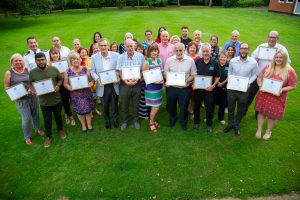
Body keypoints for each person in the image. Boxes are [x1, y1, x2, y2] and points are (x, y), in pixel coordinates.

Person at [245, 31, 291, 115]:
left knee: (263, 97)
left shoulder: (282, 49)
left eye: (274, 37)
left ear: (277, 38)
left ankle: (258, 114)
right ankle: (243, 110)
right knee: (250, 94)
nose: (271, 39)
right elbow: (252, 57)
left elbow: (288, 63)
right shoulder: (261, 46)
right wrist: (255, 60)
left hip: (272, 79)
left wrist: (279, 63)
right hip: (258, 76)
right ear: (267, 37)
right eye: (270, 37)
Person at [254, 50, 297, 140]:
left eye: (281, 57)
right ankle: (259, 129)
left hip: (277, 97)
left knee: (272, 115)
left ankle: (268, 131)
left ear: (285, 58)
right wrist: (260, 85)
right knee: (261, 112)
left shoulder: (289, 70)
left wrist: (282, 89)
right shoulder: (268, 66)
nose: (278, 59)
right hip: (264, 95)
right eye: (277, 57)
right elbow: (259, 78)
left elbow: (293, 86)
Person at [3, 53, 44, 145]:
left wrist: (32, 89)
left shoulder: (27, 70)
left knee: (35, 114)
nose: (18, 62)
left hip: (32, 96)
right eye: (16, 61)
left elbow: (33, 82)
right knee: (26, 118)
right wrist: (14, 94)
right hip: (21, 99)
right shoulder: (9, 73)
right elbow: (6, 86)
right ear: (12, 62)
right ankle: (27, 136)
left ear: (23, 61)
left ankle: (37, 129)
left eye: (20, 60)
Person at [29, 52, 66, 148]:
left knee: (58, 116)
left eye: (42, 60)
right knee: (47, 119)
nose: (41, 62)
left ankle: (60, 130)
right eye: (38, 60)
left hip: (56, 99)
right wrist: (32, 90)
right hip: (44, 102)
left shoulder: (53, 69)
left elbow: (60, 79)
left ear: (46, 60)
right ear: (36, 61)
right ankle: (48, 137)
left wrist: (58, 85)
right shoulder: (32, 73)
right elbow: (30, 84)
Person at [223, 43, 258, 136]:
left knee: (241, 109)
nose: (243, 50)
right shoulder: (233, 61)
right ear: (239, 50)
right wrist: (230, 79)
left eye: (245, 48)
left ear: (248, 50)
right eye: (242, 48)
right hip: (232, 88)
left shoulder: (253, 62)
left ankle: (236, 125)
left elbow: (255, 74)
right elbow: (229, 71)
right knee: (230, 107)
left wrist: (249, 82)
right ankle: (230, 123)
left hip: (244, 89)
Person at [164, 43, 197, 131]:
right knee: (171, 105)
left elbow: (194, 74)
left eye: (180, 50)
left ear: (184, 50)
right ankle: (173, 119)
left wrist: (185, 81)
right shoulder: (169, 60)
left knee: (184, 106)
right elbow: (165, 73)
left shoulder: (190, 60)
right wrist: (170, 80)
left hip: (184, 88)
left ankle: (183, 122)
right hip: (172, 88)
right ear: (174, 51)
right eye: (177, 50)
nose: (179, 52)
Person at [91, 38, 120, 129]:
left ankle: (115, 119)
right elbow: (92, 71)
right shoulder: (94, 57)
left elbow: (119, 69)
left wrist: (118, 76)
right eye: (101, 45)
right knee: (105, 105)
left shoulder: (116, 55)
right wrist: (97, 79)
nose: (103, 47)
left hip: (113, 84)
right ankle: (107, 120)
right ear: (98, 47)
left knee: (115, 104)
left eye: (105, 45)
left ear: (108, 46)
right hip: (102, 85)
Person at [117, 39, 145, 130]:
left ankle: (136, 120)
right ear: (124, 47)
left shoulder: (140, 56)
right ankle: (125, 121)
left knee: (136, 103)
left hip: (137, 83)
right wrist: (126, 81)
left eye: (131, 46)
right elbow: (119, 71)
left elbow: (142, 70)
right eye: (128, 46)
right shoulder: (121, 57)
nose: (130, 48)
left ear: (135, 46)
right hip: (125, 84)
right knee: (124, 103)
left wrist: (137, 79)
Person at [64, 53, 95, 132]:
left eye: (77, 59)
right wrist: (68, 87)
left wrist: (91, 83)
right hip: (76, 94)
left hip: (86, 93)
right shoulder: (67, 71)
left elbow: (91, 80)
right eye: (73, 59)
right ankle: (83, 125)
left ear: (80, 59)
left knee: (88, 110)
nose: (75, 61)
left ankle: (89, 124)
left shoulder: (85, 69)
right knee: (80, 111)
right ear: (70, 61)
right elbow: (65, 83)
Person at [193, 43, 220, 133]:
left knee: (209, 108)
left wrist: (213, 85)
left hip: (209, 89)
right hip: (198, 89)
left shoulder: (215, 63)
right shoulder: (197, 62)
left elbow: (217, 77)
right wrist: (193, 84)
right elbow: (194, 74)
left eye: (207, 51)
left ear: (210, 52)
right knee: (196, 106)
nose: (205, 53)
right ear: (202, 52)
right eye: (204, 51)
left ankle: (209, 124)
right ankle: (196, 122)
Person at [48, 47, 76, 126]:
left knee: (66, 100)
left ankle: (68, 115)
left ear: (59, 54)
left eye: (56, 53)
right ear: (50, 55)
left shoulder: (64, 62)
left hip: (64, 83)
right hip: (56, 85)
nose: (55, 55)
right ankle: (69, 115)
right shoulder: (49, 64)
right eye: (53, 54)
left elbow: (68, 72)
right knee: (62, 101)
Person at [142, 44, 164, 133]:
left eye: (155, 50)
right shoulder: (147, 62)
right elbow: (145, 77)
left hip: (159, 87)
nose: (154, 52)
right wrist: (156, 82)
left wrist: (162, 80)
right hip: (151, 88)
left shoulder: (159, 60)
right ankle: (151, 123)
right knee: (155, 107)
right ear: (149, 52)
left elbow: (161, 72)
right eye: (152, 51)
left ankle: (153, 120)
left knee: (156, 105)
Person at [213, 52, 229, 125]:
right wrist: (217, 82)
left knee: (222, 104)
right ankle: (209, 116)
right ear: (219, 58)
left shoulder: (229, 65)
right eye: (221, 57)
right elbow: (212, 74)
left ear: (227, 58)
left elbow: (230, 76)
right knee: (212, 102)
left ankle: (221, 118)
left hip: (224, 87)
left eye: (224, 57)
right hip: (215, 86)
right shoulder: (215, 64)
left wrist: (222, 83)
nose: (222, 58)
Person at [186, 41, 200, 119]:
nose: (192, 49)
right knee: (187, 96)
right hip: (187, 80)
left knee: (193, 97)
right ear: (188, 49)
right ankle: (186, 109)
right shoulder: (185, 57)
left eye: (194, 48)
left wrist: (194, 81)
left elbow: (199, 71)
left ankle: (191, 110)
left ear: (196, 49)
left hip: (195, 81)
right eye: (191, 47)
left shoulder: (198, 58)